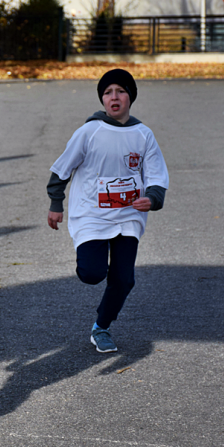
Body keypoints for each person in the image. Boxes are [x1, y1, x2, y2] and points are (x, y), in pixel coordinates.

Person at [47, 69, 169, 353]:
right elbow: (61, 169)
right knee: (92, 273)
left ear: (130, 97)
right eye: (107, 92)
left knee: (124, 278)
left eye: (120, 91)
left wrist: (152, 198)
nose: (114, 97)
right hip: (91, 212)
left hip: (129, 214)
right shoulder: (90, 131)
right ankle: (90, 262)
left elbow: (156, 175)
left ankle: (101, 327)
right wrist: (56, 203)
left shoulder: (143, 134)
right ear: (102, 99)